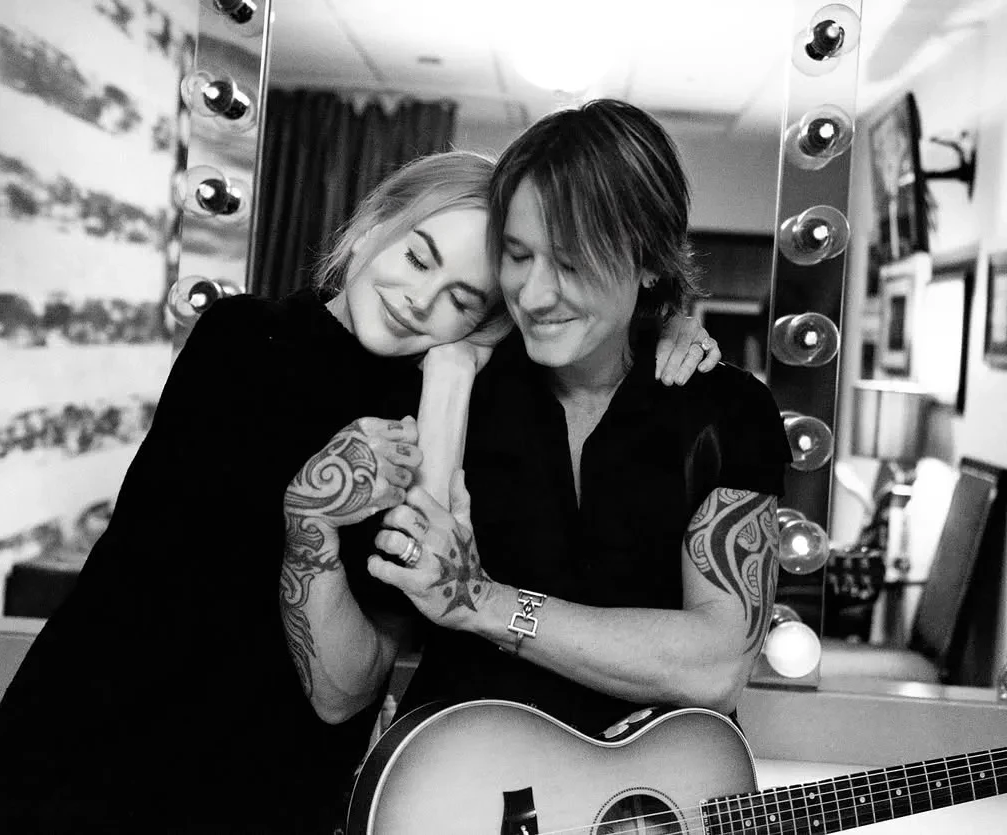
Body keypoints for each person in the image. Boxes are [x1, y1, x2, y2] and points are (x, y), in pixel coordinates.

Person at [0, 148, 719, 834]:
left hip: (257, 802)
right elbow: (158, 586)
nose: (421, 299)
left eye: (462, 299)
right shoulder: (238, 339)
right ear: (376, 220)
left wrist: (445, 381)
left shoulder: (444, 422)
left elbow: (342, 692)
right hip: (76, 763)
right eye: (418, 256)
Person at [291, 100, 791, 761]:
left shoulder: (724, 413)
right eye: (518, 255)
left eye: (572, 263)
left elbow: (716, 665)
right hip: (455, 787)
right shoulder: (444, 386)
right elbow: (356, 665)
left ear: (649, 261)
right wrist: (450, 370)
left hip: (643, 802)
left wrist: (481, 601)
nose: (533, 294)